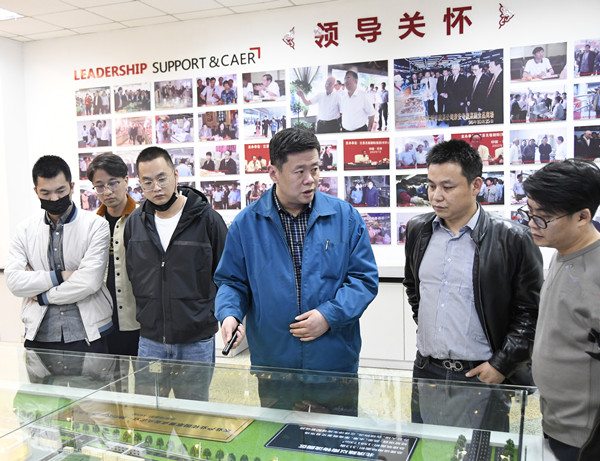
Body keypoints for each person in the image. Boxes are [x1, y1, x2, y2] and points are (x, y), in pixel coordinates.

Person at [214, 127, 378, 411]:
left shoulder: (344, 217)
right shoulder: (247, 224)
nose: (310, 179)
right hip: (276, 367)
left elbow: (363, 279)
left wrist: (328, 315)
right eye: (299, 171)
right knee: (279, 437)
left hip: (333, 364)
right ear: (273, 172)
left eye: (315, 168)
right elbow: (232, 281)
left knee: (337, 438)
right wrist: (229, 314)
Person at [403, 139, 543, 431]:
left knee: (481, 449)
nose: (436, 196)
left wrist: (502, 364)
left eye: (447, 187)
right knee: (426, 447)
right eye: (431, 186)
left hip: (481, 374)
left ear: (476, 185)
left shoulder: (512, 239)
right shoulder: (419, 230)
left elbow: (530, 312)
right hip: (427, 370)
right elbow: (415, 290)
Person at [123, 147, 228, 380]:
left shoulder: (208, 220)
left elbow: (225, 275)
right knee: (149, 403)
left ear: (176, 175)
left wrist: (208, 315)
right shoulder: (135, 223)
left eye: (162, 179)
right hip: (150, 340)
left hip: (195, 340)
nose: (156, 188)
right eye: (147, 182)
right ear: (139, 183)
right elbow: (133, 274)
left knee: (192, 403)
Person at [521, 160, 600, 461]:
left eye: (543, 218)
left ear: (582, 216)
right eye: (529, 212)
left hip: (585, 436)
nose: (532, 223)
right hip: (555, 421)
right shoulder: (563, 251)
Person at [5, 155, 113, 353]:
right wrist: (61, 276)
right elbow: (14, 282)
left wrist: (42, 296)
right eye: (45, 193)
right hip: (40, 334)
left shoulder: (96, 226)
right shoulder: (24, 230)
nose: (54, 199)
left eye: (60, 191)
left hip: (88, 333)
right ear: (36, 191)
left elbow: (89, 282)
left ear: (72, 187)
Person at [87, 153, 140, 356]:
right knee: (110, 374)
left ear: (126, 180)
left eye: (113, 183)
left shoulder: (143, 219)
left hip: (138, 318)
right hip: (103, 319)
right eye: (100, 186)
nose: (107, 192)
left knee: (144, 375)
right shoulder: (92, 225)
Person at [485, 58, 504, 124]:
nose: (489, 69)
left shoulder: (503, 77)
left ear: (498, 66)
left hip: (498, 111)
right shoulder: (491, 77)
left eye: (491, 67)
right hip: (490, 110)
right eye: (489, 67)